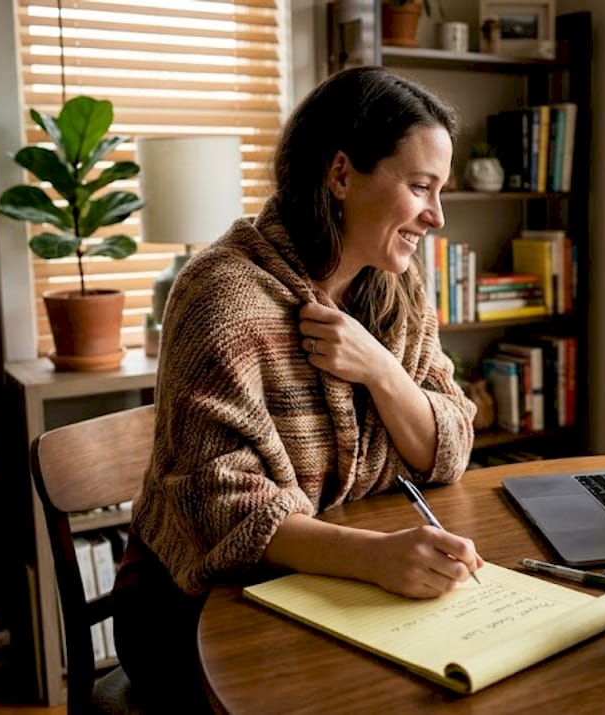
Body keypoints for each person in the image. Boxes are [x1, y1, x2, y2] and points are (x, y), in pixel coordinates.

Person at [112, 66, 479, 710]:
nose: (437, 216)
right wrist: (375, 558)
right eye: (421, 187)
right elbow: (221, 505)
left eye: (440, 191)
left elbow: (447, 447)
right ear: (341, 174)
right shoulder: (221, 297)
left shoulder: (394, 292)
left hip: (322, 578)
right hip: (192, 608)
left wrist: (381, 370)